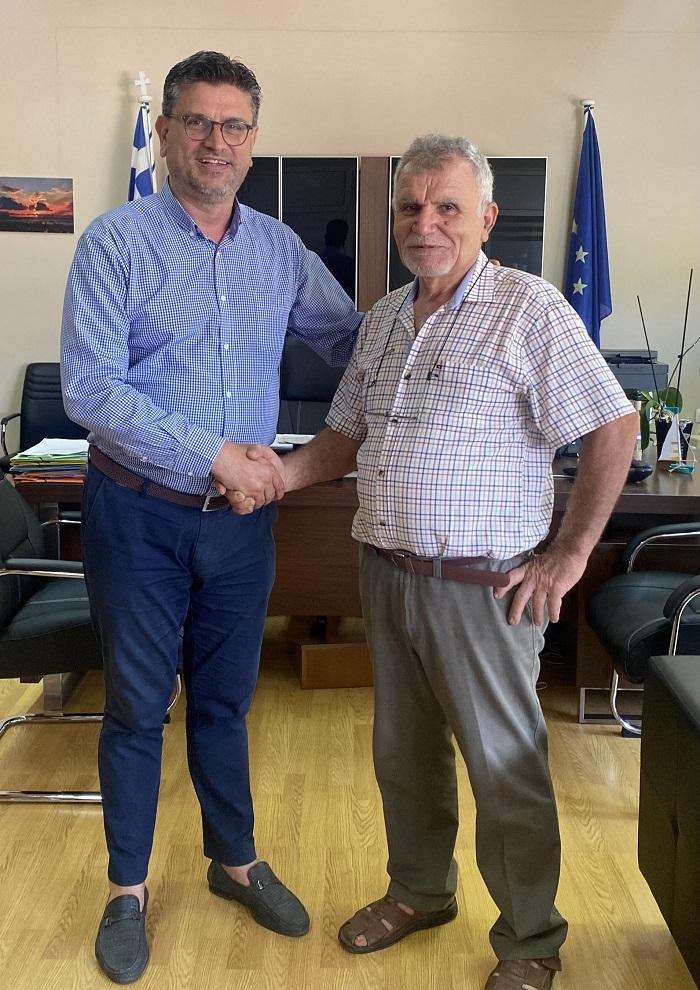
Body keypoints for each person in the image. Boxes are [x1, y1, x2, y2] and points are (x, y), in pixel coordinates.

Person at [227, 134, 638, 989]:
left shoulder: (529, 309)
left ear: (486, 217)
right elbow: (345, 435)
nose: (426, 223)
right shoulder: (382, 317)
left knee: (504, 769)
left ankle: (530, 940)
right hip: (386, 575)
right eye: (411, 207)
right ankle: (420, 892)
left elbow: (613, 424)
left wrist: (568, 555)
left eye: (447, 206)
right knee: (405, 756)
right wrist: (277, 478)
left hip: (484, 590)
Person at [61, 50, 361, 985]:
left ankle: (234, 864)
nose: (216, 141)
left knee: (227, 703)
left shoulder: (279, 250)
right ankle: (126, 891)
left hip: (239, 525)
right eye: (197, 121)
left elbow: (352, 338)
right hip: (138, 514)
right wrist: (214, 454)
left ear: (253, 139)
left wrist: (448, 313)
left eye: (234, 125)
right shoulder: (114, 243)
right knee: (137, 710)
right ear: (165, 131)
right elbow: (90, 389)